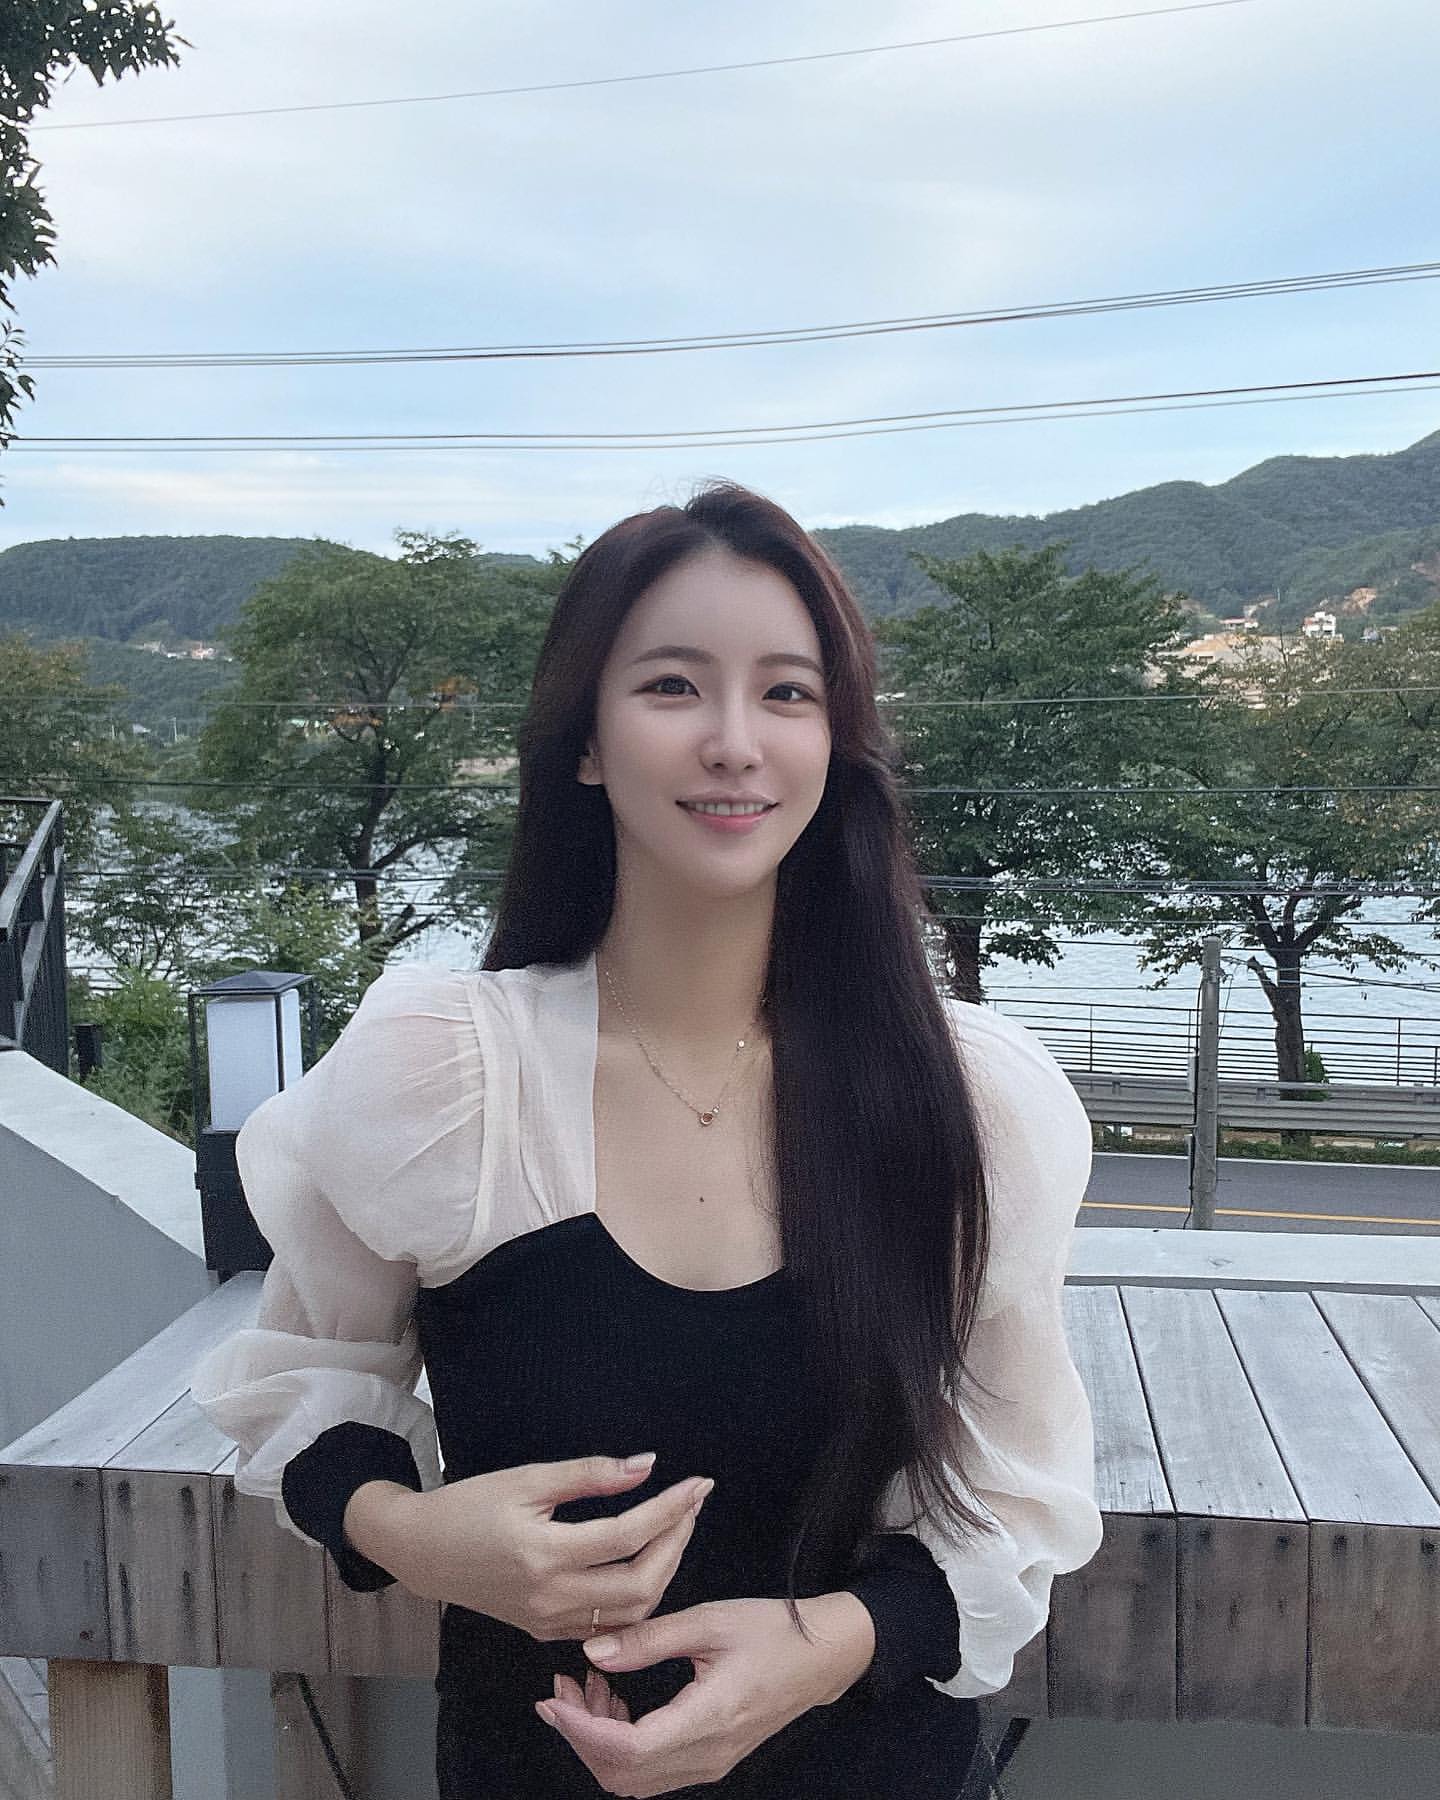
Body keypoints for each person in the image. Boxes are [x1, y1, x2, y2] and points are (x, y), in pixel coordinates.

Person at [191, 480, 1103, 1799]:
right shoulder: (451, 1077)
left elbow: (1017, 1500)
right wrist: (415, 1535)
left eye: (787, 694)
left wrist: (818, 1649)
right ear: (585, 740)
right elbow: (308, 1380)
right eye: (674, 687)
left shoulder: (965, 1100)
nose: (734, 742)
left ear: (835, 741)